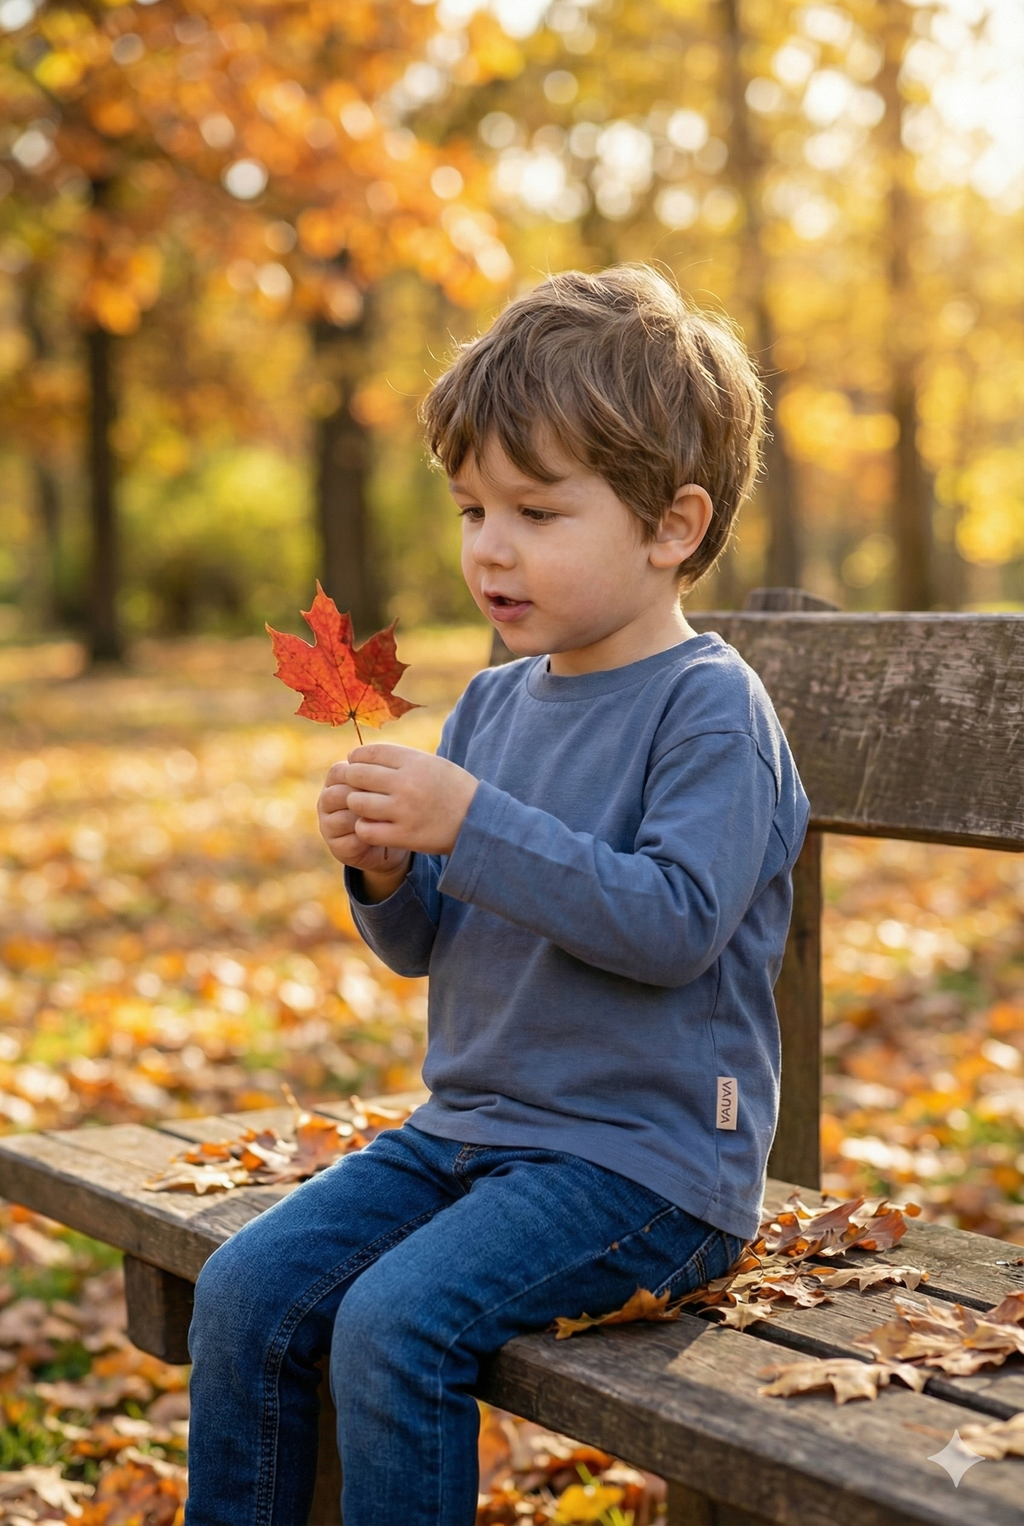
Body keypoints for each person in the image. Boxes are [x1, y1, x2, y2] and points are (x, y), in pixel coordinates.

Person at [185, 265, 810, 1526]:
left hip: (645, 1167)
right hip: (468, 1135)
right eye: (472, 507)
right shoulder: (487, 702)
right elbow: (427, 944)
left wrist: (468, 821)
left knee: (391, 1323)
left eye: (535, 508)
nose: (490, 547)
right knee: (247, 1288)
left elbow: (673, 924)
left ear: (670, 524)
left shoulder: (707, 710)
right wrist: (382, 871)